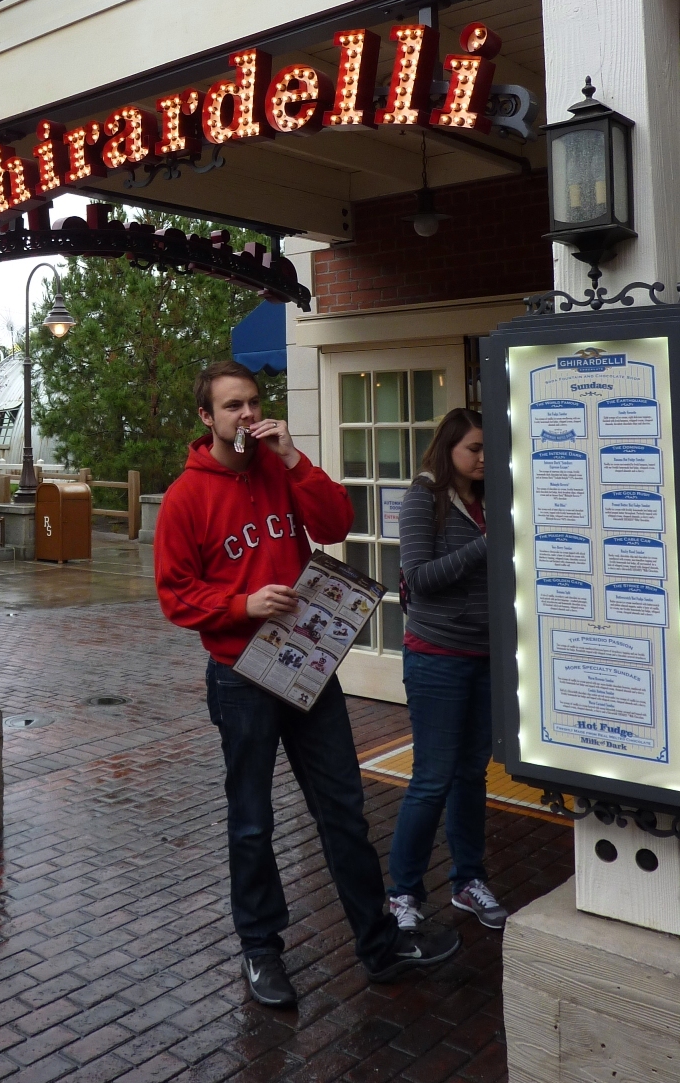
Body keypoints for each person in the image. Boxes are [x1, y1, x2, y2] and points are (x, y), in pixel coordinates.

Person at [154, 360, 460, 1008]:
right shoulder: (186, 495)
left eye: (253, 401)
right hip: (241, 675)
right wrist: (242, 604)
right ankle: (261, 950)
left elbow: (336, 523)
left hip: (309, 668)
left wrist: (294, 459)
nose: (247, 414)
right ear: (206, 417)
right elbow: (176, 594)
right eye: (232, 405)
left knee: (343, 809)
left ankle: (379, 944)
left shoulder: (279, 468)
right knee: (252, 820)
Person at [388, 407, 508, 932]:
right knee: (432, 779)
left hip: (488, 656)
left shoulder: (496, 497)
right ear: (448, 450)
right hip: (437, 656)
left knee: (470, 775)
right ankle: (403, 892)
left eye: (488, 449)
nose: (483, 458)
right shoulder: (425, 497)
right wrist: (488, 544)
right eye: (473, 449)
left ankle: (468, 881)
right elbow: (419, 577)